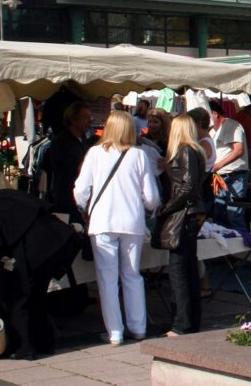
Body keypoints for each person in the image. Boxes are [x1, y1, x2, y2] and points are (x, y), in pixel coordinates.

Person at [0, 182, 77, 359]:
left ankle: (24, 347)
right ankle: (44, 344)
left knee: (19, 297)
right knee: (36, 295)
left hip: (40, 249)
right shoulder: (3, 195)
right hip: (59, 241)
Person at [74, 111, 161, 346]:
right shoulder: (139, 155)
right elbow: (152, 196)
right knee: (132, 275)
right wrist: (148, 209)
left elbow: (80, 189)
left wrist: (84, 207)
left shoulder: (94, 153)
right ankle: (138, 326)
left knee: (107, 278)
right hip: (132, 221)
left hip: (103, 221)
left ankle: (115, 331)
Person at [155, 116, 207, 336]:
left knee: (179, 271)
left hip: (183, 214)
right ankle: (190, 320)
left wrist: (167, 207)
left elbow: (187, 187)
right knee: (187, 268)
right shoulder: (193, 151)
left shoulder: (185, 150)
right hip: (190, 214)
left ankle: (181, 323)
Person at [40, 101, 94, 224]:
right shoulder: (61, 142)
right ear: (73, 120)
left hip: (79, 200)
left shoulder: (83, 140)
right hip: (66, 200)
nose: (90, 121)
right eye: (86, 117)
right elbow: (77, 168)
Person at [209, 100, 248, 231]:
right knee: (219, 214)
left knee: (234, 215)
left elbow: (238, 150)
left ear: (214, 114)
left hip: (235, 176)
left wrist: (217, 165)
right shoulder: (212, 131)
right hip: (219, 177)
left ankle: (243, 245)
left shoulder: (232, 125)